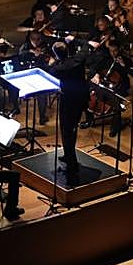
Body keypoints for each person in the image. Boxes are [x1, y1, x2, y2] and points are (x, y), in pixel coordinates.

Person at [50, 40, 90, 185]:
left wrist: (54, 60)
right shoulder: (78, 59)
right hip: (81, 98)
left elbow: (51, 71)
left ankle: (71, 163)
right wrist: (74, 40)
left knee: (66, 131)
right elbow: (86, 48)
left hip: (68, 101)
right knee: (72, 128)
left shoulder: (57, 67)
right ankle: (68, 155)